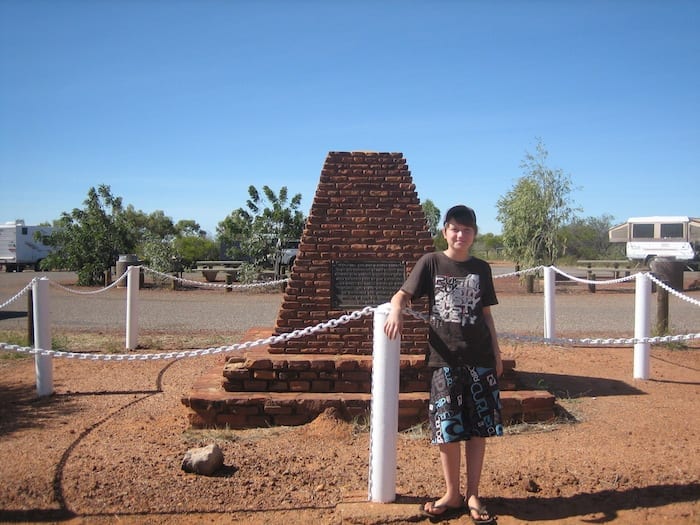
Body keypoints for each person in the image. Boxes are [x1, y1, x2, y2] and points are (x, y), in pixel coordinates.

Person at [384, 204, 503, 525]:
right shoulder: (431, 262)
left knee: (478, 430)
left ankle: (473, 493)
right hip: (443, 360)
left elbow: (487, 316)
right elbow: (401, 295)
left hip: (479, 360)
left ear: (474, 234)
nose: (460, 234)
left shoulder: (482, 269)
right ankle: (452, 494)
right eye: (455, 228)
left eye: (467, 230)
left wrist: (497, 351)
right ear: (445, 231)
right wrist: (396, 311)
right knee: (448, 429)